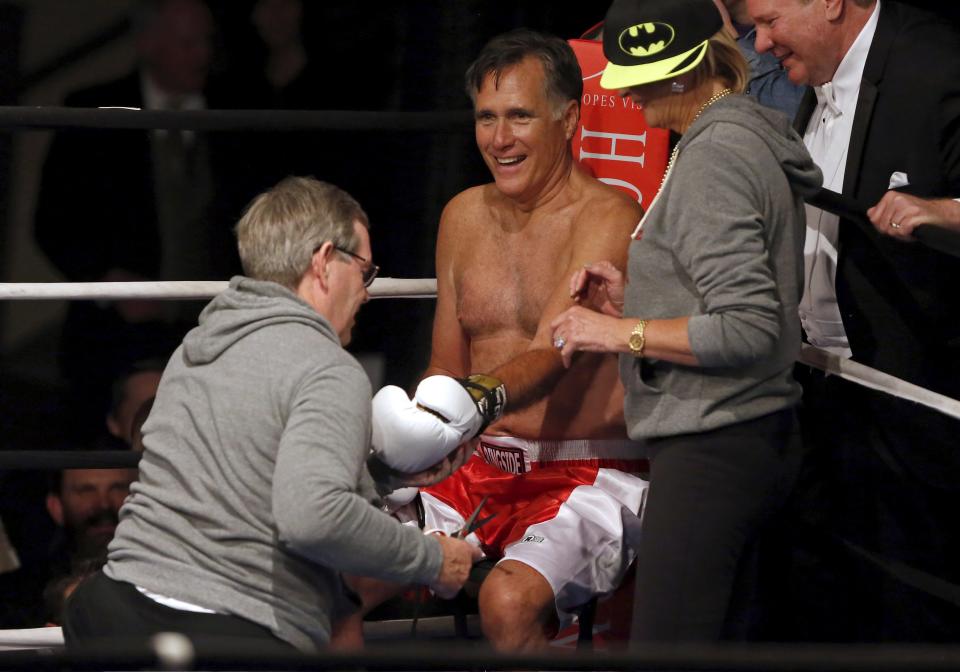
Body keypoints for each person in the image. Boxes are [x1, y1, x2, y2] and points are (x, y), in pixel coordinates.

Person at [62, 177, 480, 653]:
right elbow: (313, 519)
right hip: (224, 628)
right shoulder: (327, 369)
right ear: (324, 262)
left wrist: (375, 476)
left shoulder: (197, 347)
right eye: (365, 271)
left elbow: (245, 475)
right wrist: (432, 558)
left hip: (113, 607)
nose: (367, 292)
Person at [371, 30, 651, 652]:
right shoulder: (461, 216)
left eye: (520, 116)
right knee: (343, 563)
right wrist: (421, 442)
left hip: (588, 470)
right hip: (479, 465)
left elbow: (557, 352)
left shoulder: (609, 216)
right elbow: (446, 365)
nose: (500, 140)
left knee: (507, 601)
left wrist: (474, 400)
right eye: (486, 118)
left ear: (569, 117)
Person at [550, 0, 821, 642]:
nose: (630, 96)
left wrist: (618, 333)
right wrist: (641, 293)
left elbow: (751, 327)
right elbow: (731, 294)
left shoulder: (713, 157)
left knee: (666, 651)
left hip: (714, 449)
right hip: (745, 438)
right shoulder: (732, 135)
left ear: (678, 75)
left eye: (637, 79)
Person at [748, 0, 960, 641]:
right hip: (826, 400)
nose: (759, 44)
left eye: (770, 20)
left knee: (917, 614)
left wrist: (942, 210)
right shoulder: (809, 86)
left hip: (923, 415)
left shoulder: (937, 64)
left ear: (831, 3)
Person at [34, 0, 255, 441]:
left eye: (206, 40)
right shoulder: (91, 111)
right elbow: (53, 221)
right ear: (148, 43)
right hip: (115, 338)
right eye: (186, 41)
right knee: (103, 456)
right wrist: (109, 281)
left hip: (216, 332)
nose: (201, 54)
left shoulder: (239, 108)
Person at [711, 0, 805, 117]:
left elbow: (799, 110)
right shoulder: (706, 44)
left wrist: (732, 41)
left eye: (770, 22)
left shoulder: (794, 13)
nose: (761, 45)